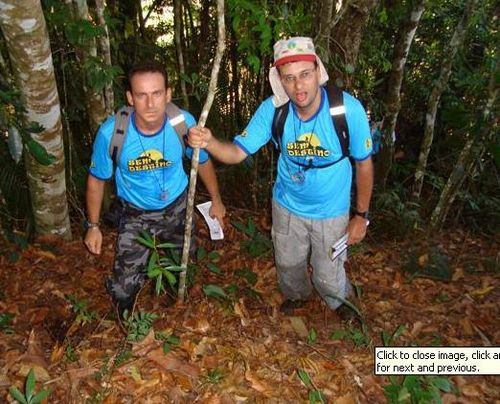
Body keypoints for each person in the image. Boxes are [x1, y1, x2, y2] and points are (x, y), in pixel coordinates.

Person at [188, 37, 373, 318]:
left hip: (332, 210)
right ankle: (298, 296)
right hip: (287, 204)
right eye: (289, 78)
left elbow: (364, 165)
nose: (299, 87)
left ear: (318, 72)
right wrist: (209, 142)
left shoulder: (346, 111)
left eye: (305, 75)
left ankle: (338, 301)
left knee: (328, 270)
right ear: (279, 81)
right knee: (288, 263)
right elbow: (237, 152)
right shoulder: (274, 110)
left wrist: (361, 215)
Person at [84, 61, 226, 324]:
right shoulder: (112, 133)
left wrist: (216, 200)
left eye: (157, 93)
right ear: (130, 97)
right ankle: (128, 329)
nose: (150, 104)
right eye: (141, 95)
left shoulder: (183, 124)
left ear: (168, 94)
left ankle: (175, 313)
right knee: (123, 288)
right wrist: (93, 225)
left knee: (182, 268)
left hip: (177, 205)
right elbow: (96, 180)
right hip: (135, 213)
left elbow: (202, 161)